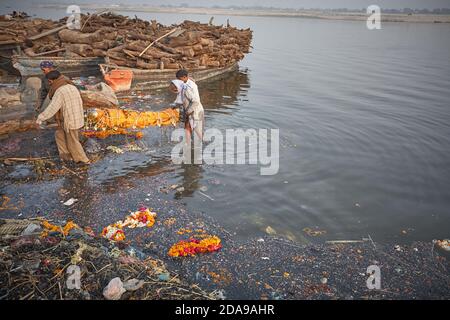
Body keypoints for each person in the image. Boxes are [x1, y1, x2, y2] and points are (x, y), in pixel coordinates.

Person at [36, 70, 90, 164]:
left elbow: (52, 108)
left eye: (49, 82)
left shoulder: (60, 91)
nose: (49, 84)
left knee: (73, 142)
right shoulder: (71, 87)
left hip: (70, 120)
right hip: (75, 117)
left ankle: (84, 160)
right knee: (59, 134)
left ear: (52, 81)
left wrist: (40, 118)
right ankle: (66, 156)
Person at [175, 69, 204, 142]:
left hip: (194, 110)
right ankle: (188, 143)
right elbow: (182, 97)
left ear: (184, 77)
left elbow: (196, 101)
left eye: (179, 79)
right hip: (188, 109)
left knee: (196, 130)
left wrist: (189, 111)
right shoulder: (184, 84)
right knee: (187, 127)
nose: (178, 81)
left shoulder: (190, 87)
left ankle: (202, 143)